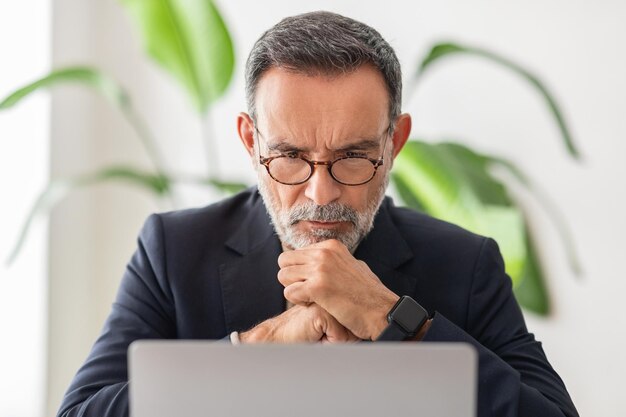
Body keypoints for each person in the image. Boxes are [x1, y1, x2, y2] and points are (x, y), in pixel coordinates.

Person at [57, 11, 579, 417]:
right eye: (288, 157)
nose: (319, 192)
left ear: (394, 142)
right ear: (249, 140)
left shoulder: (465, 264)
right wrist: (263, 344)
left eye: (352, 156)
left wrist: (392, 318)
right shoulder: (174, 249)